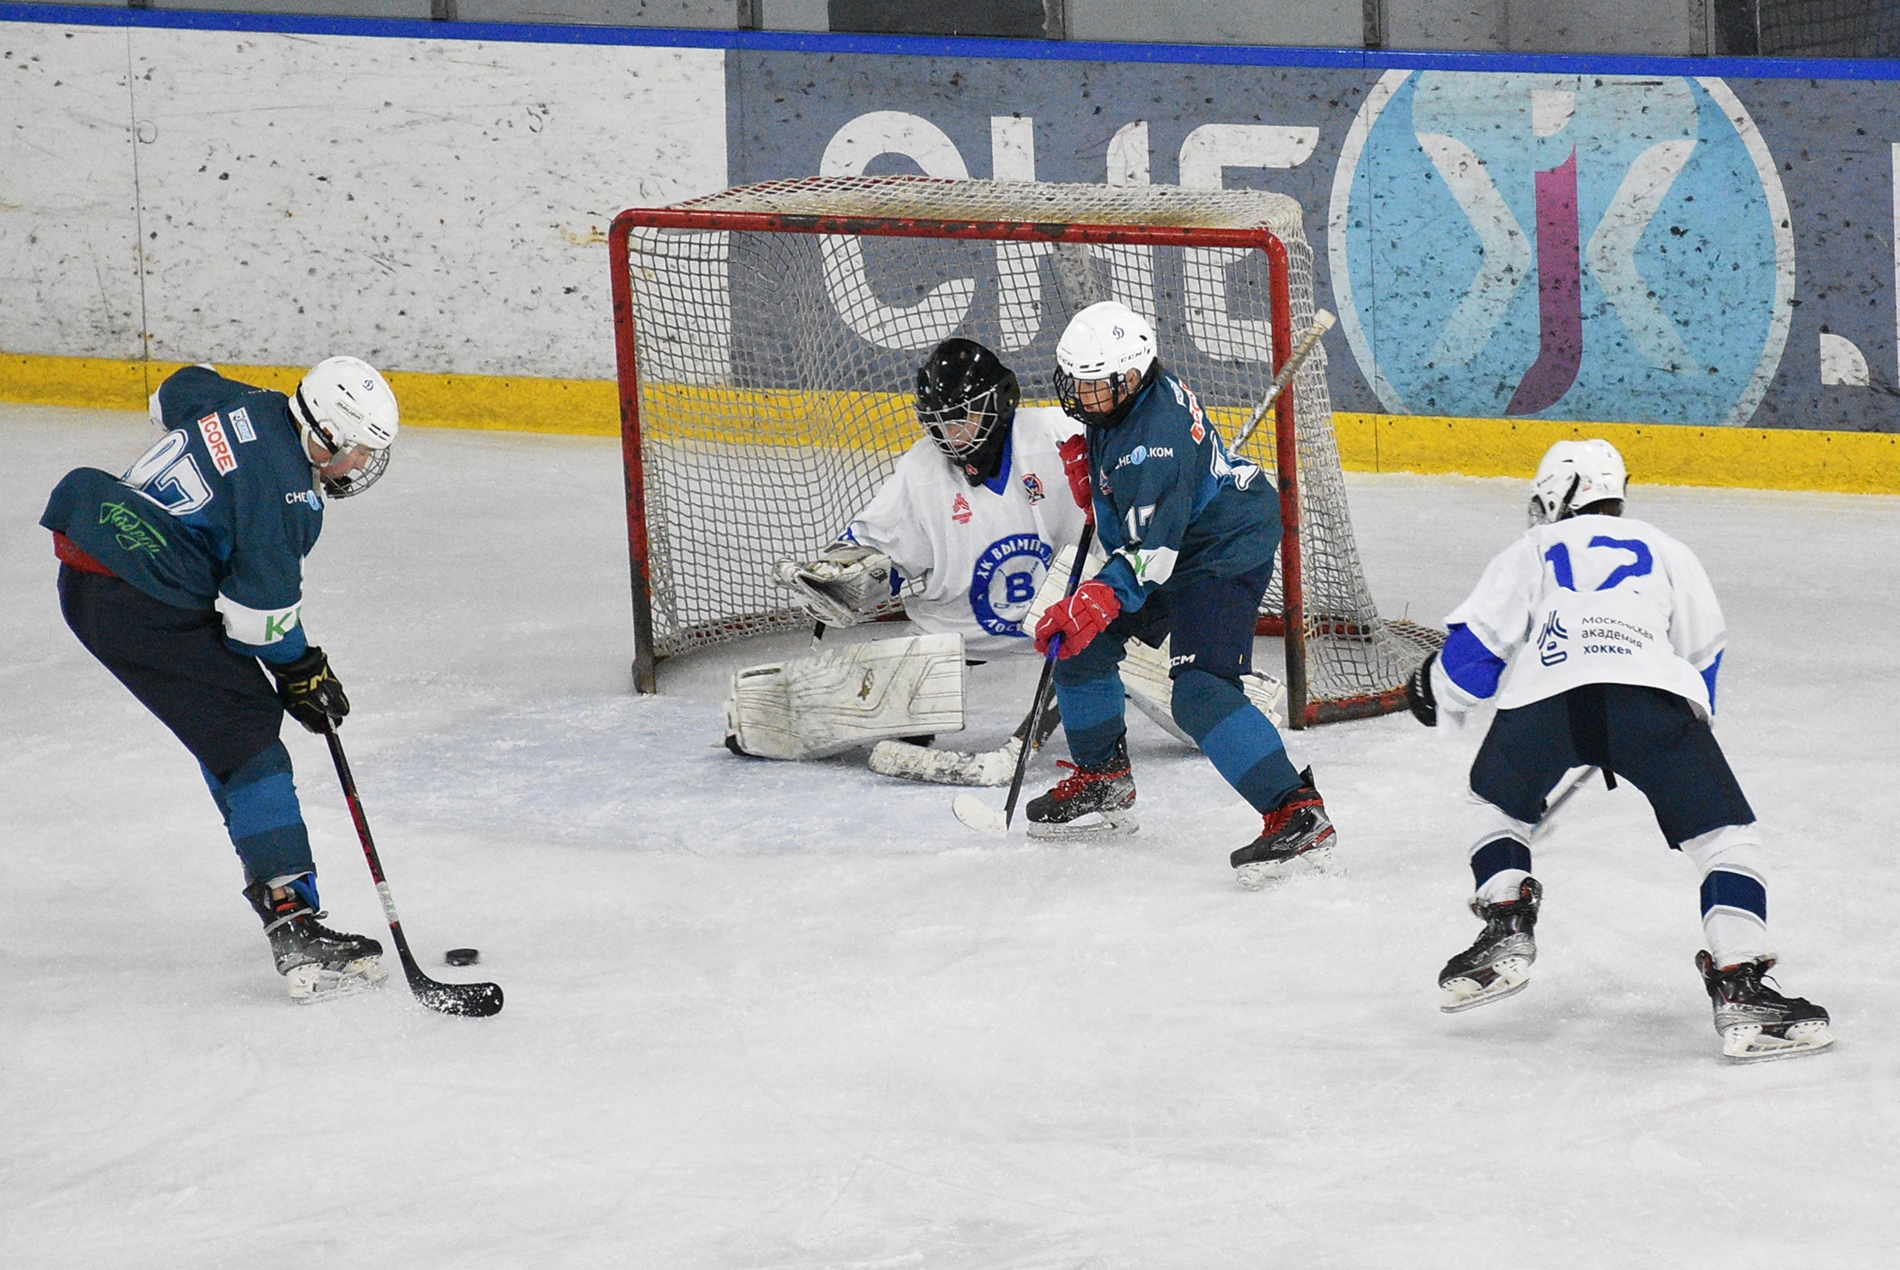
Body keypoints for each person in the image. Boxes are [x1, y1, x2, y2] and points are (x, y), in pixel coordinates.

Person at [1405, 438, 1833, 1060]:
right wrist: (1675, 737)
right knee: (1726, 840)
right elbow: (1703, 657)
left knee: (1493, 807)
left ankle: (1505, 923)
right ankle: (1742, 988)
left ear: (1556, 495)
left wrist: (1433, 690)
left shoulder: (1534, 547)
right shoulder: (1669, 550)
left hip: (1546, 695)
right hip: (1650, 698)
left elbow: (1472, 666)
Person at [727, 337, 1280, 777]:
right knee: (902, 674)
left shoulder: (1057, 430)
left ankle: (1225, 698)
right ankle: (784, 711)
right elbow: (881, 552)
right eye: (939, 420)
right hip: (962, 624)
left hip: (1078, 606)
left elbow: (1153, 473)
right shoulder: (923, 468)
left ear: (999, 404)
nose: (950, 434)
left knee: (1194, 701)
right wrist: (846, 576)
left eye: (963, 417)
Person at [39, 358, 400, 1002]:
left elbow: (177, 386)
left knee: (228, 732)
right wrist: (301, 671)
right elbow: (255, 621)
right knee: (248, 740)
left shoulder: (257, 405)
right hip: (138, 600)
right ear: (324, 439)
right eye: (359, 453)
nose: (360, 467)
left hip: (101, 564)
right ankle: (293, 920)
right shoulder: (286, 495)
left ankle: (283, 895)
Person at [1028, 300, 1332, 883]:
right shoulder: (1127, 402)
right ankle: (1103, 780)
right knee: (1083, 648)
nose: (1081, 397)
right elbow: (1145, 517)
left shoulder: (1155, 444)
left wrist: (1096, 597)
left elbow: (1150, 558)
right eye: (1078, 382)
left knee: (1199, 692)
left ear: (1132, 376)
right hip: (1180, 535)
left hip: (1220, 548)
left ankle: (1296, 812)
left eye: (1096, 386)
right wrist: (1105, 487)